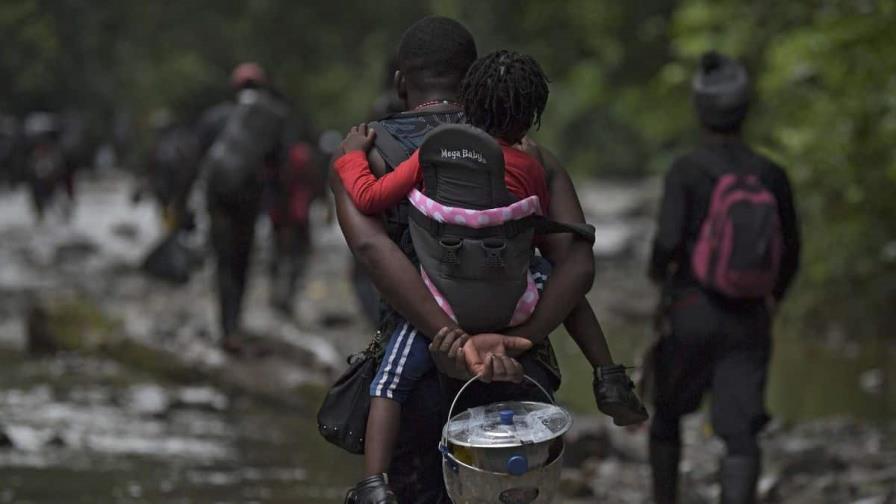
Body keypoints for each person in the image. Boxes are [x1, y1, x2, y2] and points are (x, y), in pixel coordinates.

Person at [332, 17, 636, 504]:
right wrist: (519, 341)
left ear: (399, 82)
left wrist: (448, 336)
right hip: (517, 364)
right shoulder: (530, 154)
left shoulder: (368, 153)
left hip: (418, 368)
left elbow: (372, 251)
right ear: (474, 76)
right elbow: (575, 266)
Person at [647, 51, 800, 504]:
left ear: (699, 109)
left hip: (691, 310)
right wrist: (773, 298)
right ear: (745, 110)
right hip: (749, 318)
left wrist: (660, 280)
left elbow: (669, 241)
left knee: (668, 414)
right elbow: (791, 250)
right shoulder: (772, 174)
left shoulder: (686, 170)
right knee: (741, 431)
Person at [200, 62, 289, 353]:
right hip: (249, 198)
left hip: (218, 198)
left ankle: (225, 326)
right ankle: (235, 324)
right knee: (242, 258)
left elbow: (199, 161)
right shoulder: (269, 118)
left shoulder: (215, 117)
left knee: (222, 261)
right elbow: (278, 166)